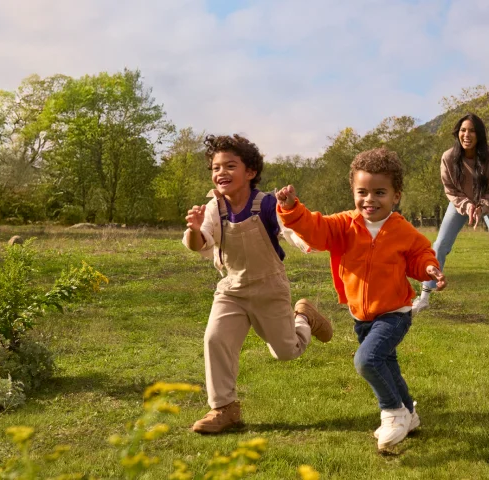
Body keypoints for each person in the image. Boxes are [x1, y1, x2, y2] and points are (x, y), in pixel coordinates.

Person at [276, 147, 446, 450]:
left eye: (380, 192)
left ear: (396, 196)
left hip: (394, 313)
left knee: (367, 360)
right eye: (362, 192)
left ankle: (392, 413)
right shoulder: (344, 224)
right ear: (353, 192)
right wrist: (292, 209)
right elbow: (315, 229)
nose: (370, 199)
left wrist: (429, 268)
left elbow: (419, 256)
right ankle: (409, 414)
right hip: (361, 316)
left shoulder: (403, 231)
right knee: (387, 363)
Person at [182, 134, 333, 433]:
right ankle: (224, 408)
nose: (221, 172)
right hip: (232, 289)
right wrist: (195, 229)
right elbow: (200, 244)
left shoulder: (266, 204)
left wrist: (293, 211)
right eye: (216, 167)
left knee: (285, 352)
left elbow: (292, 232)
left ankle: (304, 318)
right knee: (215, 339)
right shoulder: (214, 208)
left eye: (230, 166)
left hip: (269, 288)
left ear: (250, 172)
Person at [412, 113, 489, 317]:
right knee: (440, 244)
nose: (466, 135)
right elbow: (450, 189)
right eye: (463, 130)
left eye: (472, 131)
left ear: (480, 134)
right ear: (457, 133)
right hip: (460, 203)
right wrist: (467, 205)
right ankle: (424, 297)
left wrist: (482, 206)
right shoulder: (448, 157)